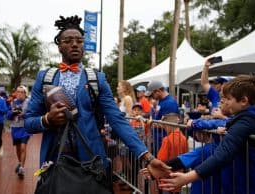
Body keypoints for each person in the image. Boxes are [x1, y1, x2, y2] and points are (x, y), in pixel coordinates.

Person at [24, 15, 170, 191]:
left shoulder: (96, 79)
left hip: (91, 162)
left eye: (79, 40)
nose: (75, 44)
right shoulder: (45, 77)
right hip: (54, 162)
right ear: (59, 45)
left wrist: (147, 157)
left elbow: (117, 119)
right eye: (68, 40)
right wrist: (47, 119)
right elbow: (29, 123)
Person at [158, 75, 255, 194]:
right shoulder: (250, 118)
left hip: (249, 183)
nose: (225, 102)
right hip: (254, 180)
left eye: (229, 99)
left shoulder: (245, 123)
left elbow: (223, 153)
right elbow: (225, 123)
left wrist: (187, 177)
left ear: (243, 101)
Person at [145, 80, 179, 154]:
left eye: (152, 95)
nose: (152, 98)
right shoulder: (161, 101)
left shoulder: (170, 103)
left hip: (165, 141)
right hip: (159, 140)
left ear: (158, 91)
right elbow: (158, 117)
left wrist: (151, 123)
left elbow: (169, 124)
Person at [7, 86, 31, 178]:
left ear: (25, 93)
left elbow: (32, 113)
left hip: (25, 128)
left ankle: (22, 168)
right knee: (17, 148)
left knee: (23, 147)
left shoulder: (29, 102)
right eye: (18, 92)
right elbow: (8, 115)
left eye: (22, 92)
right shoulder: (12, 102)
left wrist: (24, 114)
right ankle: (20, 162)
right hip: (15, 128)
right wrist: (13, 113)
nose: (19, 93)